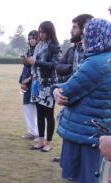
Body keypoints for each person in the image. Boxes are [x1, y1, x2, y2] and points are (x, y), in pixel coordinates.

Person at [54, 18, 111, 183]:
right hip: (100, 128)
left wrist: (56, 90)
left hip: (87, 132)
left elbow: (68, 92)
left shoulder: (95, 63)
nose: (84, 40)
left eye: (87, 36)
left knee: (87, 177)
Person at [53, 14, 94, 162]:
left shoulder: (92, 53)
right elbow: (58, 66)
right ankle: (68, 158)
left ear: (85, 29)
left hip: (87, 101)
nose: (71, 31)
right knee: (70, 128)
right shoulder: (72, 50)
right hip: (71, 94)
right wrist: (71, 72)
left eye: (75, 27)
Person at [25, 21, 61, 152]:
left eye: (43, 31)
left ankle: (48, 142)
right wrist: (29, 62)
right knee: (39, 113)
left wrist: (37, 62)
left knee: (48, 114)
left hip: (49, 83)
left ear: (49, 31)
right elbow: (35, 63)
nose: (41, 34)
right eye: (39, 31)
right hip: (37, 82)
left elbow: (54, 65)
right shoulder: (39, 45)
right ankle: (40, 141)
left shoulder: (55, 46)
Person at [19, 30, 39, 140]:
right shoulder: (28, 51)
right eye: (30, 38)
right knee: (27, 106)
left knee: (37, 108)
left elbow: (38, 68)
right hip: (26, 83)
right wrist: (22, 80)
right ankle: (31, 131)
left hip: (35, 83)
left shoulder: (40, 51)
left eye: (34, 37)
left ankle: (39, 133)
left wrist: (29, 79)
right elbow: (25, 68)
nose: (31, 40)